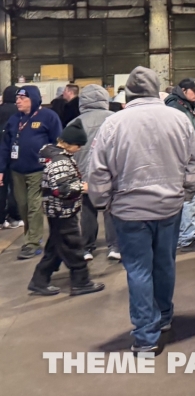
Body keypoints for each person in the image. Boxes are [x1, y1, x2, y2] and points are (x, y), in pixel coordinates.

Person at [87, 66, 195, 353]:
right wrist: (185, 192)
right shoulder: (179, 119)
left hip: (129, 211)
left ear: (128, 91)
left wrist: (103, 202)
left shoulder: (113, 124)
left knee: (138, 271)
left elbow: (97, 170)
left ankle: (145, 337)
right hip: (169, 207)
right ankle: (164, 316)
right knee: (165, 263)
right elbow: (193, 161)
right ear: (155, 89)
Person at [27, 122, 104, 297]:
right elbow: (62, 189)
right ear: (69, 143)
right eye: (79, 145)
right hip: (63, 211)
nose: (80, 148)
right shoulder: (60, 161)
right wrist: (83, 187)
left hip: (56, 211)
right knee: (73, 247)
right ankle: (81, 282)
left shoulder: (55, 156)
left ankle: (39, 281)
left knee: (55, 248)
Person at [0, 85, 63, 259]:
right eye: (18, 98)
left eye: (22, 98)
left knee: (35, 205)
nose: (18, 101)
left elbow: (57, 142)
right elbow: (5, 145)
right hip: (17, 170)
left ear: (33, 100)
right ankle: (31, 236)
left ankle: (32, 243)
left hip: (38, 169)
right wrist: (1, 169)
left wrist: (53, 165)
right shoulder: (14, 119)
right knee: (23, 206)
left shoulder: (48, 117)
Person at [70, 85, 118, 261]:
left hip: (83, 176)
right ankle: (114, 246)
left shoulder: (74, 123)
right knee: (110, 209)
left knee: (87, 211)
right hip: (109, 174)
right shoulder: (115, 119)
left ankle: (87, 248)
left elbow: (68, 151)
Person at [165, 79, 195, 254]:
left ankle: (184, 236)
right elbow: (191, 134)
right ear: (184, 90)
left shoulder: (178, 105)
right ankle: (187, 238)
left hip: (180, 161)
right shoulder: (178, 108)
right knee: (191, 198)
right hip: (184, 162)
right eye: (194, 91)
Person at [0, 85, 23, 229]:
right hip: (16, 154)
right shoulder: (19, 112)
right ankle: (15, 216)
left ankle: (1, 219)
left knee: (1, 187)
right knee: (16, 187)